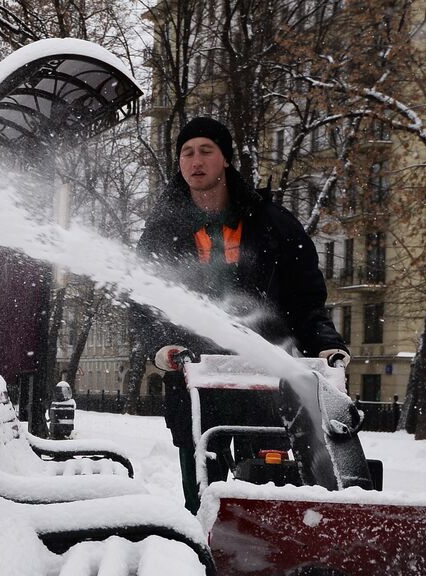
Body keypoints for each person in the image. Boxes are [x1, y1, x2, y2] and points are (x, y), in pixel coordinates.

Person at [135, 116, 349, 512]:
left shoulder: (273, 225)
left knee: (266, 491)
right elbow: (145, 302)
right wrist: (158, 348)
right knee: (200, 496)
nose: (195, 160)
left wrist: (325, 344)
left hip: (262, 383)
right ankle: (200, 559)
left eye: (205, 150)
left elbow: (305, 298)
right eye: (186, 152)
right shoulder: (162, 232)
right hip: (194, 382)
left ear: (226, 160)